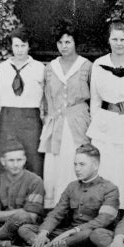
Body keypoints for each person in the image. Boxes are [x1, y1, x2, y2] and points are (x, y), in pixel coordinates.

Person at [10, 144, 119, 247]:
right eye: (75, 164)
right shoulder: (72, 187)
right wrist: (43, 233)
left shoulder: (110, 189)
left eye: (82, 164)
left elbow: (103, 220)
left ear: (95, 165)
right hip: (67, 234)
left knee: (87, 234)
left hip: (86, 234)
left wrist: (73, 231)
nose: (77, 169)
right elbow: (57, 213)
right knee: (25, 228)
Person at [87, 20, 124, 210]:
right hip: (106, 123)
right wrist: (98, 122)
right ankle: (105, 210)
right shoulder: (99, 64)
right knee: (106, 166)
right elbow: (95, 99)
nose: (119, 43)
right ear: (109, 40)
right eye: (115, 38)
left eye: (123, 39)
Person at [39, 21, 93, 209]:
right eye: (60, 42)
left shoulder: (86, 66)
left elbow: (94, 98)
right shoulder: (50, 67)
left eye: (68, 42)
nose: (64, 46)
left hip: (77, 122)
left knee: (75, 162)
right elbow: (46, 98)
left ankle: (76, 207)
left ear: (75, 43)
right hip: (56, 122)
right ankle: (53, 207)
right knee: (54, 165)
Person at [0, 27, 45, 188]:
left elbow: (45, 96)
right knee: (2, 156)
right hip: (7, 117)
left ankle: (33, 197)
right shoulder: (2, 68)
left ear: (29, 46)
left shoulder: (40, 68)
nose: (19, 50)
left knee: (32, 157)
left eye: (23, 45)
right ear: (11, 46)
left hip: (30, 118)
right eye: (16, 46)